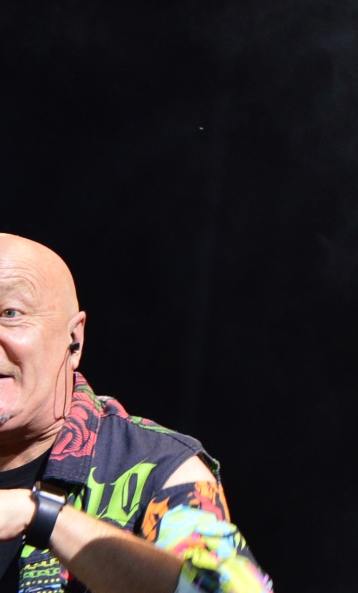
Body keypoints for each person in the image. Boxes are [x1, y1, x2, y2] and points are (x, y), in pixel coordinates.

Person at [0, 234, 270, 593]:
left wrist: (39, 516)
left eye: (10, 313)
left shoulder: (160, 467)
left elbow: (225, 589)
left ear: (74, 340)